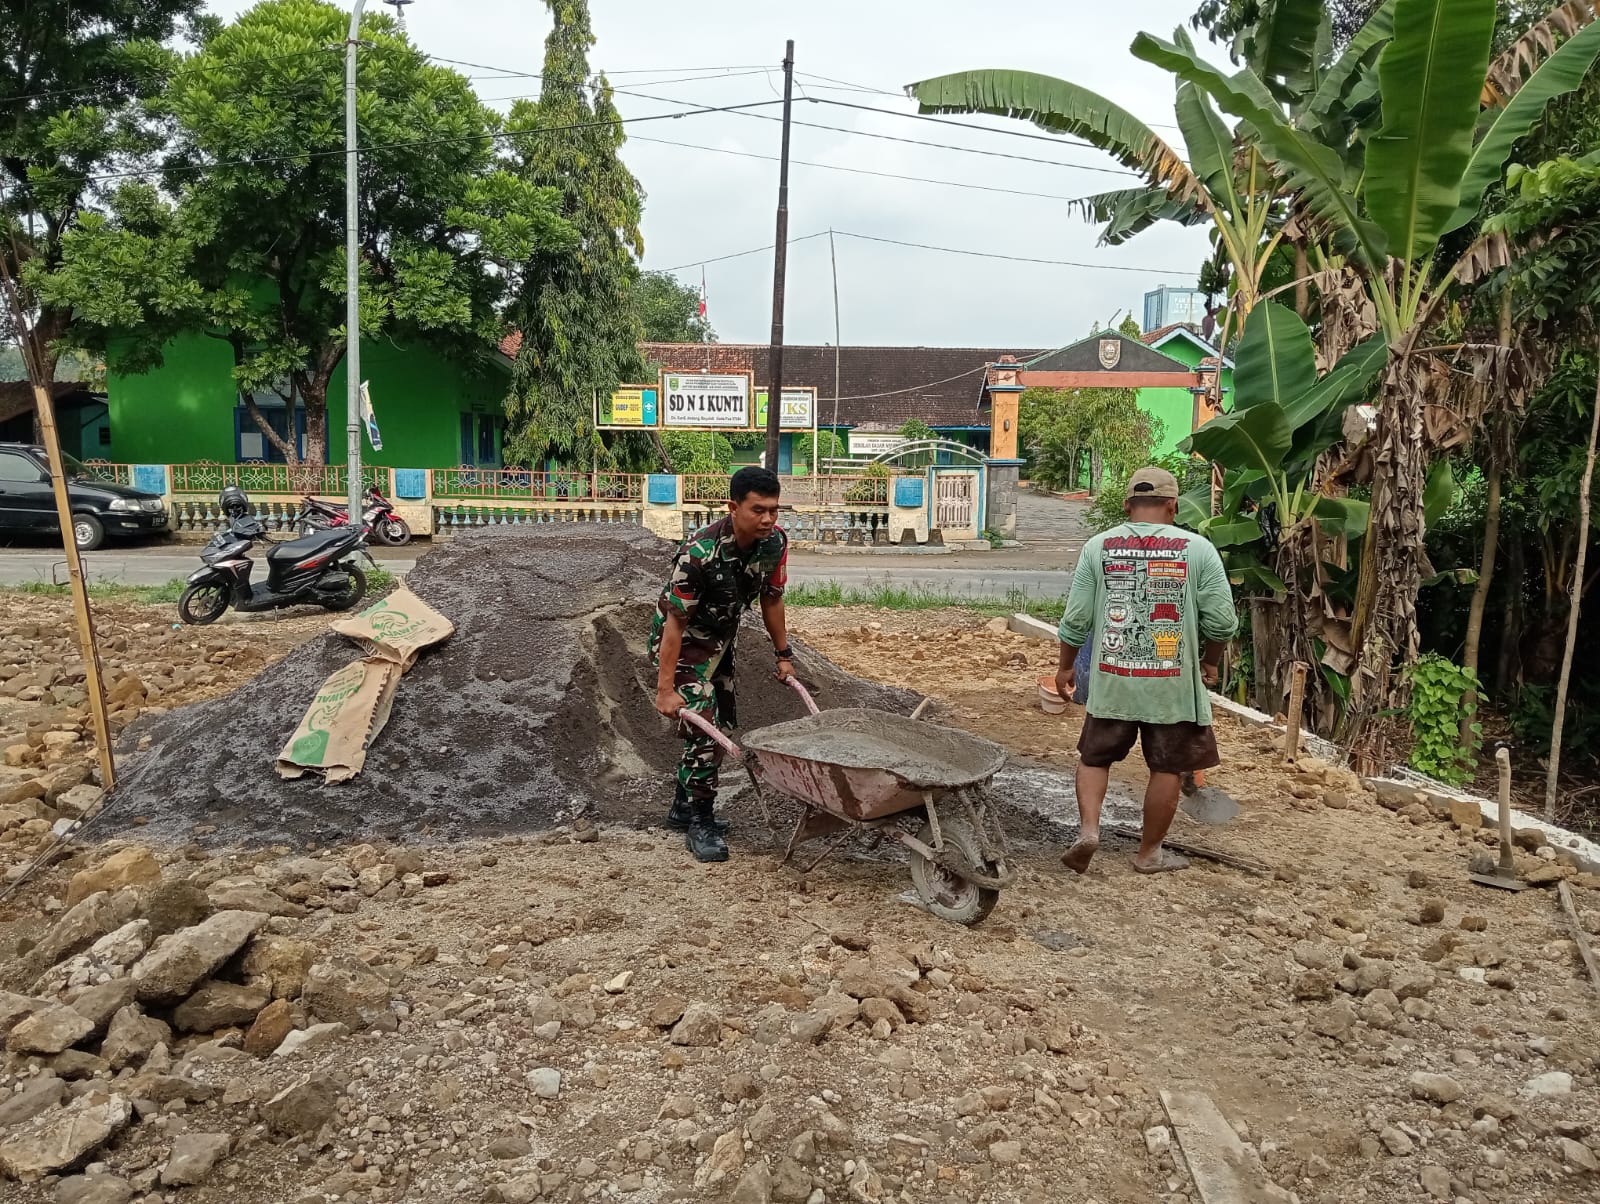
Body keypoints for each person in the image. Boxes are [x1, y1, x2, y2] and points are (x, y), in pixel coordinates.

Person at [1054, 466, 1237, 874]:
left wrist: (1065, 668)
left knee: (1094, 758)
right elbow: (1222, 623)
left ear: (1127, 506)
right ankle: (1149, 853)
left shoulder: (1098, 547)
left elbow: (1076, 619)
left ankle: (1089, 831)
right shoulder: (1198, 550)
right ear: (1173, 506)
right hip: (1171, 686)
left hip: (1112, 679)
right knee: (1167, 766)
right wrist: (1210, 660)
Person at [651, 465, 794, 862]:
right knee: (706, 727)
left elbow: (772, 598)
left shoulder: (774, 543)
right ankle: (700, 821)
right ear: (733, 507)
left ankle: (681, 808)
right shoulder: (699, 553)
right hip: (682, 646)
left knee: (723, 722)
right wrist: (665, 690)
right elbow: (675, 624)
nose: (767, 519)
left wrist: (784, 655)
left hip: (720, 642)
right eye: (757, 510)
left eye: (774, 510)